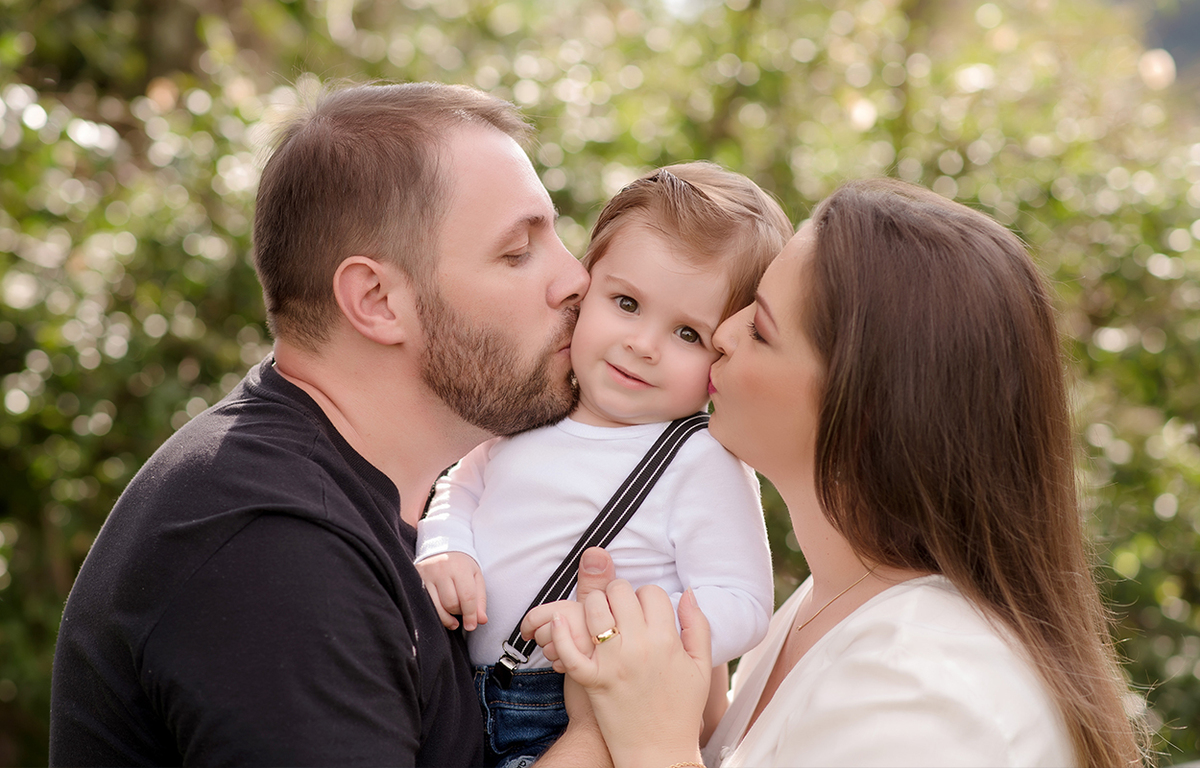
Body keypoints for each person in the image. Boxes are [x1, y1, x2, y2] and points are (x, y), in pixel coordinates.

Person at [48, 81, 602, 766]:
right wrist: (617, 737)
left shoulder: (409, 502)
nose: (577, 279)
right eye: (517, 253)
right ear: (376, 300)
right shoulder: (272, 547)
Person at [546, 178, 1148, 767]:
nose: (722, 335)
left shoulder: (927, 689)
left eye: (760, 328)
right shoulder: (826, 602)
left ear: (861, 410)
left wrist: (653, 745)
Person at [414, 163, 790, 766]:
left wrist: (613, 627)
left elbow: (742, 603)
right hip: (461, 692)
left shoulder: (698, 458)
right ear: (584, 288)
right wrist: (444, 548)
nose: (643, 344)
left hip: (591, 715)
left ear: (724, 354)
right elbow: (460, 484)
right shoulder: (533, 405)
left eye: (688, 334)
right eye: (626, 302)